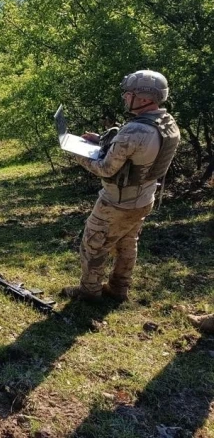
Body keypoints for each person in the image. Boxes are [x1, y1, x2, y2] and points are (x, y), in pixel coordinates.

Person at [63, 70, 180, 302]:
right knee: (127, 244)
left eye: (129, 93)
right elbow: (138, 155)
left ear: (145, 98)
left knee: (93, 245)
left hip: (116, 203)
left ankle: (89, 292)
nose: (125, 97)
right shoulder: (167, 124)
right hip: (145, 198)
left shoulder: (136, 130)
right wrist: (103, 140)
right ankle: (118, 289)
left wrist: (75, 151)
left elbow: (105, 169)